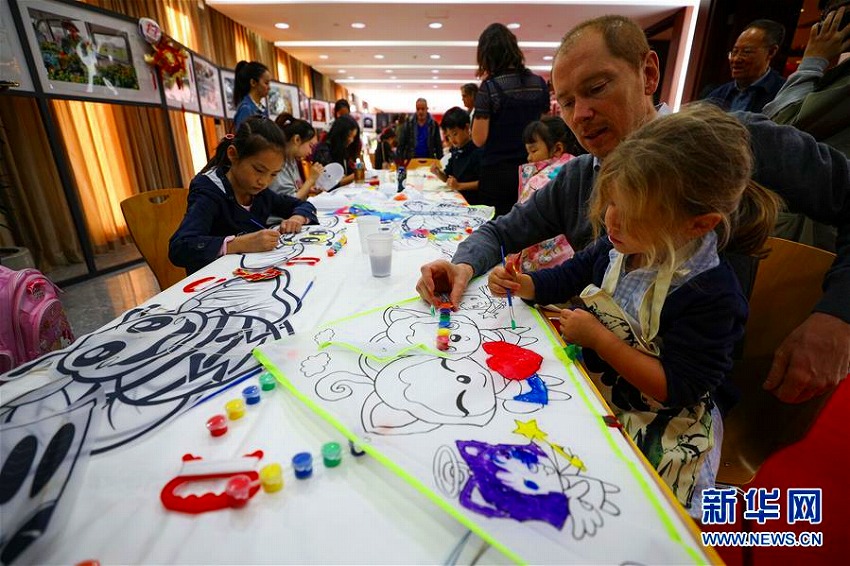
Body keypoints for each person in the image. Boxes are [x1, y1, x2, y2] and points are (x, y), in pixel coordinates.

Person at [416, 15, 850, 407]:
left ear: (647, 74)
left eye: (597, 88)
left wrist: (837, 315)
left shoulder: (729, 145)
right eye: (566, 102)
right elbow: (500, 232)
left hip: (684, 396)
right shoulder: (577, 176)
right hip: (592, 380)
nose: (581, 114)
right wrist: (462, 266)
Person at [488, 104, 781, 511]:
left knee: (624, 508)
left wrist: (599, 339)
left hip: (670, 421)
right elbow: (568, 276)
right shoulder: (618, 245)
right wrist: (524, 284)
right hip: (608, 388)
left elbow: (678, 387)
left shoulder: (711, 294)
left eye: (634, 215)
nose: (612, 222)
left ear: (698, 224)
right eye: (611, 203)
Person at [169, 118, 318, 275]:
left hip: (251, 274)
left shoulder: (259, 192)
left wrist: (297, 218)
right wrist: (239, 244)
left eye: (273, 174)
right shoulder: (210, 192)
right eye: (258, 170)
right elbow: (180, 247)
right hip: (214, 282)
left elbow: (302, 205)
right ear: (233, 155)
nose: (264, 181)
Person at [763, 0, 850, 251]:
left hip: (817, 235)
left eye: (835, 12)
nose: (824, 21)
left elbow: (778, 129)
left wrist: (812, 61)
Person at [471, 23, 550, 216]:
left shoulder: (489, 88)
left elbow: (478, 138)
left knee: (497, 230)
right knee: (529, 226)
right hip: (534, 170)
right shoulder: (538, 84)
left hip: (498, 173)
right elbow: (545, 129)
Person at [510, 116, 576, 273]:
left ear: (557, 149)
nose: (529, 157)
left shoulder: (540, 180)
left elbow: (520, 223)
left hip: (546, 264)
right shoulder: (579, 166)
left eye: (533, 150)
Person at [705, 19, 787, 112]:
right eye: (735, 51)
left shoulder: (783, 94)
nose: (736, 59)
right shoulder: (717, 94)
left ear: (771, 52)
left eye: (746, 52)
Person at [268, 113, 324, 202]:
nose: (310, 152)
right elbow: (289, 201)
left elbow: (295, 188)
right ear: (297, 139)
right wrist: (311, 180)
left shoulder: (291, 159)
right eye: (310, 146)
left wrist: (309, 189)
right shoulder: (278, 162)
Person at [430, 107, 482, 201]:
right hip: (457, 198)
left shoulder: (477, 151)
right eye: (449, 136)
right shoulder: (456, 151)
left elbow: (483, 183)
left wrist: (459, 186)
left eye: (455, 134)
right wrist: (437, 172)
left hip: (472, 202)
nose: (452, 140)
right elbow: (447, 178)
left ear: (466, 128)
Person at [311, 114, 360, 188]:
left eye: (354, 137)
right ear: (340, 133)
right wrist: (355, 176)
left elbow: (348, 172)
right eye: (349, 136)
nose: (351, 140)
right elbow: (328, 185)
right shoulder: (323, 151)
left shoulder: (343, 150)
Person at [232, 61, 271, 131]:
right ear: (253, 82)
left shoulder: (262, 109)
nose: (269, 87)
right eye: (266, 83)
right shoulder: (246, 109)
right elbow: (243, 139)